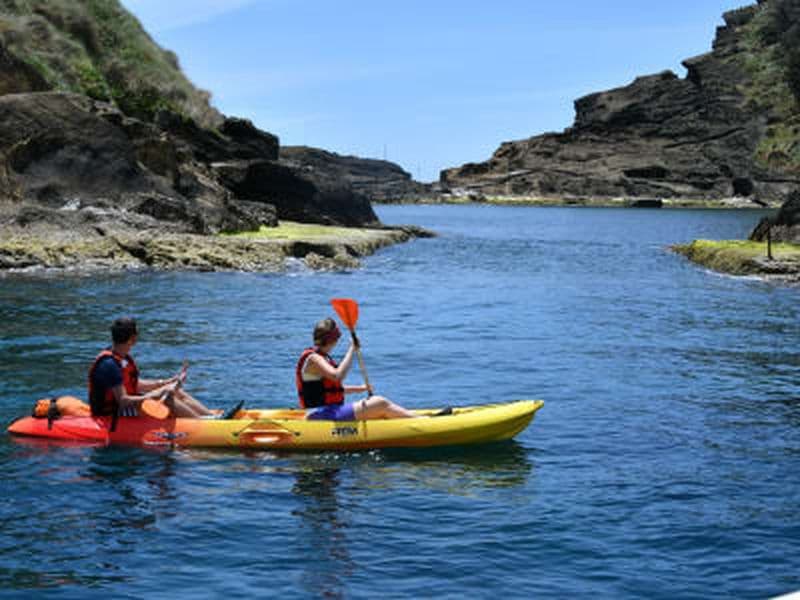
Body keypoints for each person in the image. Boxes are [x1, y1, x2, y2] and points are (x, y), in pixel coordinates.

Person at [88, 317, 225, 419]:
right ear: (133, 339)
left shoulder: (120, 357)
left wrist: (166, 383)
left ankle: (211, 418)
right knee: (167, 399)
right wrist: (155, 394)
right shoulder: (110, 365)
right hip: (112, 413)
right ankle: (204, 425)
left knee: (176, 391)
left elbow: (136, 385)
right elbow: (123, 401)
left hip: (124, 405)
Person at [296, 318, 419, 420]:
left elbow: (330, 390)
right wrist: (352, 349)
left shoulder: (322, 358)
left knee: (380, 405)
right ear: (333, 339)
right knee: (379, 403)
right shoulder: (313, 359)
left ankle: (417, 418)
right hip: (319, 414)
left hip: (328, 411)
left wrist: (360, 389)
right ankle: (420, 422)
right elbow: (337, 376)